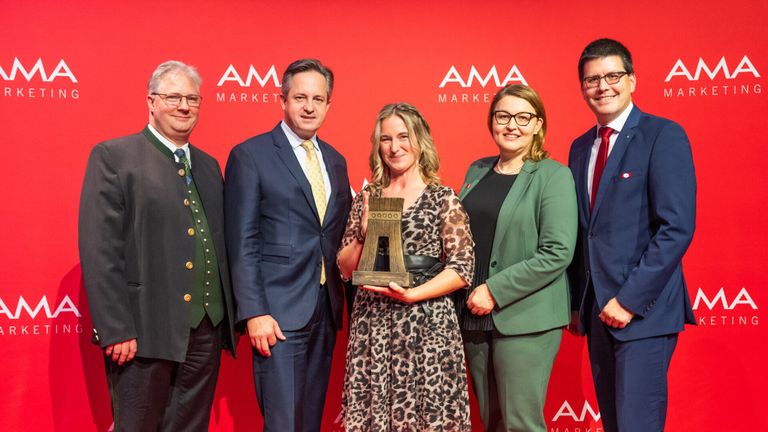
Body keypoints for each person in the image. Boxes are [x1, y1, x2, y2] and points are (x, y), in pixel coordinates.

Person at [78, 60, 237, 431]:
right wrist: (116, 328)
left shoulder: (210, 166)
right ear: (151, 102)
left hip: (204, 332)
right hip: (142, 333)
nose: (184, 106)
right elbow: (100, 250)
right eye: (173, 97)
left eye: (192, 99)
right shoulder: (115, 157)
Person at [567, 38, 697, 432]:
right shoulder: (579, 147)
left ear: (632, 80)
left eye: (612, 76)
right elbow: (582, 234)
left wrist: (629, 300)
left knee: (637, 425)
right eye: (592, 80)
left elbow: (676, 228)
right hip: (596, 312)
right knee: (614, 424)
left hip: (643, 312)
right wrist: (577, 303)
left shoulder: (663, 135)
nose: (603, 86)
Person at [224, 58, 351, 431]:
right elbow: (241, 240)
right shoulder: (252, 155)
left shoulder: (337, 161)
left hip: (325, 313)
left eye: (318, 98)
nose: (309, 106)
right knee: (282, 423)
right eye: (300, 97)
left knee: (310, 421)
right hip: (276, 314)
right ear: (282, 100)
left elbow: (336, 236)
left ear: (329, 104)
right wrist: (254, 312)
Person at [337, 102, 475, 431]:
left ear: (420, 140)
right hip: (373, 325)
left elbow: (462, 268)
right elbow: (344, 268)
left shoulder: (443, 198)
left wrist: (414, 295)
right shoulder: (368, 197)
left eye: (403, 136)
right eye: (386, 139)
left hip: (427, 324)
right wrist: (363, 234)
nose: (394, 147)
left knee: (428, 416)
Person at [455, 84, 577, 431]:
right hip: (473, 314)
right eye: (503, 116)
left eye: (523, 117)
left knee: (520, 424)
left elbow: (557, 252)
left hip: (524, 317)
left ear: (538, 124)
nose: (512, 125)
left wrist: (494, 290)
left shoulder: (553, 176)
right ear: (491, 121)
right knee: (490, 421)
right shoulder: (477, 170)